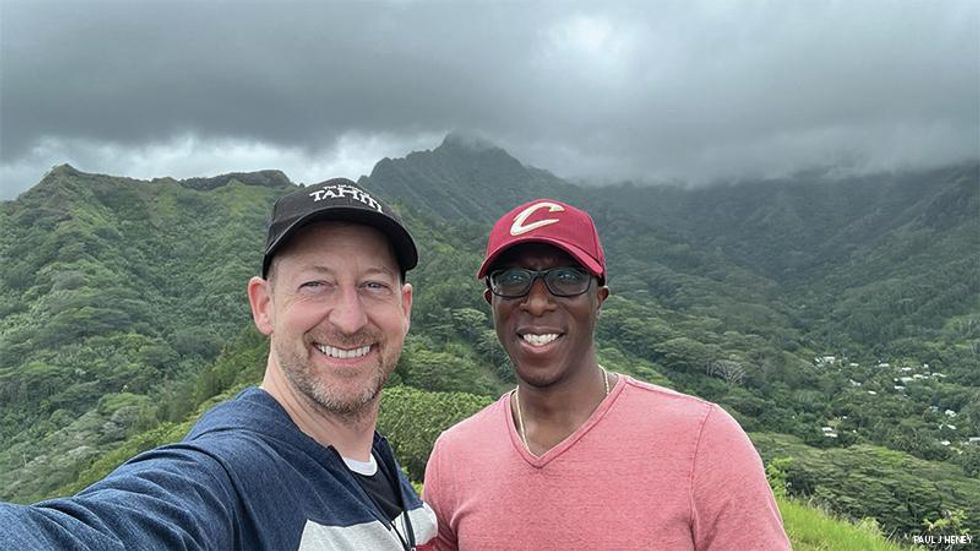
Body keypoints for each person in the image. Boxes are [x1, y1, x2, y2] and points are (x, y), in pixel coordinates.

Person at [0, 178, 437, 550]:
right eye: (315, 284)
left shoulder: (376, 460)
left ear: (404, 307)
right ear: (264, 306)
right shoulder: (231, 473)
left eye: (373, 285)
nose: (349, 319)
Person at [422, 199, 790, 550]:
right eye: (514, 278)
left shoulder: (702, 441)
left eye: (566, 278)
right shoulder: (455, 456)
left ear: (598, 299)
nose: (536, 302)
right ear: (492, 301)